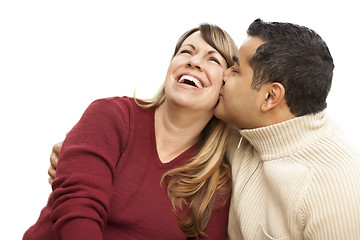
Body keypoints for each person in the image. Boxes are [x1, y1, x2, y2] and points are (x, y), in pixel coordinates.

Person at [46, 19, 360, 239]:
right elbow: (79, 194)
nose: (198, 64)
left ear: (269, 97)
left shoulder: (331, 188)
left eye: (231, 68)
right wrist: (81, 156)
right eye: (186, 52)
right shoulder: (242, 133)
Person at [23, 23, 238, 240]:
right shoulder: (111, 116)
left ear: (226, 86)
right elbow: (77, 209)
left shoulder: (215, 183)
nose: (193, 61)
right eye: (186, 52)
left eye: (213, 59)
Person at [214, 19, 360, 239]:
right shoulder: (246, 129)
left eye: (235, 70)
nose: (223, 75)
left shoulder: (332, 186)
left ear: (270, 96)